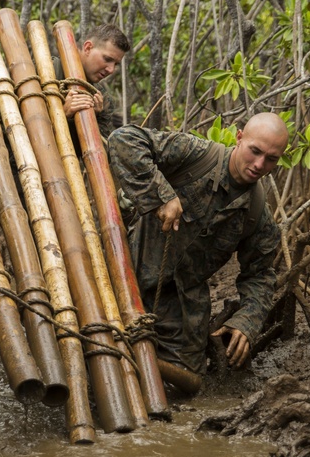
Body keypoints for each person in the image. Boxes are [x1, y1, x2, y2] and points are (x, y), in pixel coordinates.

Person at [108, 112, 289, 376]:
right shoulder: (195, 154)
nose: (259, 164)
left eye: (270, 159)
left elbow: (260, 274)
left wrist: (246, 322)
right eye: (255, 151)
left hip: (182, 310)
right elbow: (124, 139)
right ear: (239, 138)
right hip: (126, 273)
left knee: (186, 380)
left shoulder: (257, 214)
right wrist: (162, 196)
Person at [57, 23, 130, 140]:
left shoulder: (101, 98)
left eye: (115, 64)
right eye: (107, 59)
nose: (111, 70)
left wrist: (94, 118)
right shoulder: (49, 71)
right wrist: (62, 114)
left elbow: (104, 150)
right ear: (88, 48)